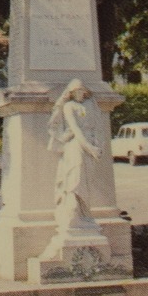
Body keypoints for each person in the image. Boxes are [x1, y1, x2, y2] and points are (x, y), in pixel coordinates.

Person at [47, 78, 103, 230]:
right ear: (71, 93)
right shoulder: (68, 106)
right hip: (76, 144)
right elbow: (76, 130)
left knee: (86, 181)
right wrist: (91, 148)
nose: (81, 93)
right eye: (77, 91)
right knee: (75, 179)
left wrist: (97, 145)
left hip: (89, 145)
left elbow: (96, 127)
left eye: (82, 91)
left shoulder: (89, 105)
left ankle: (84, 214)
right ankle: (73, 216)